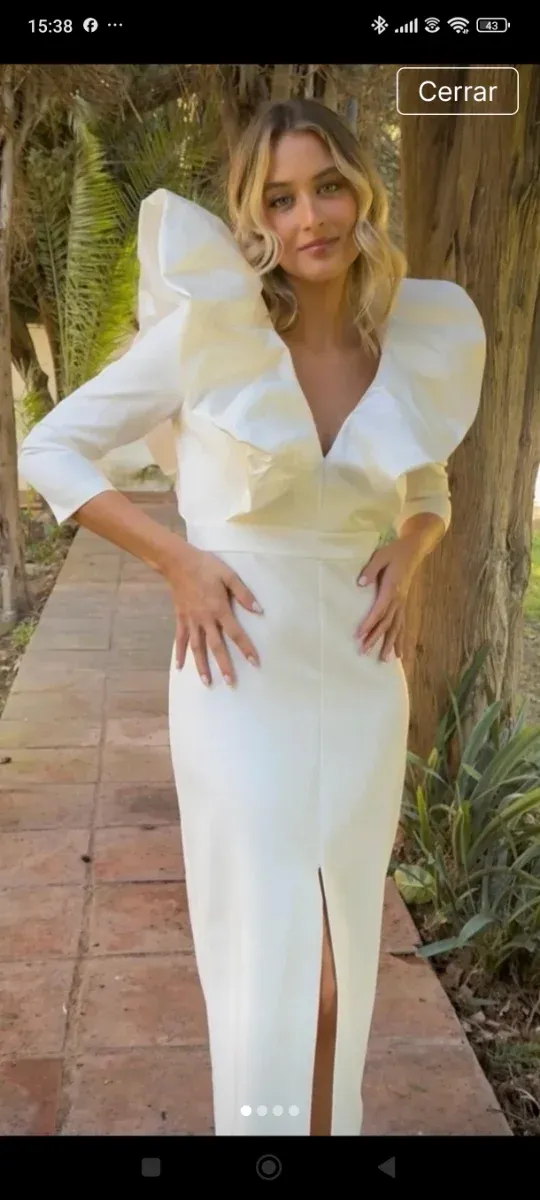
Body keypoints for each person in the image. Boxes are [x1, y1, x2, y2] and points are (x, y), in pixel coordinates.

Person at [17, 98, 486, 1137]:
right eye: (279, 198)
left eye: (327, 187)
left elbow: (429, 485)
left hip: (359, 676)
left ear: (362, 193)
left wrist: (413, 549)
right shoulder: (212, 334)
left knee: (341, 965)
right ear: (253, 217)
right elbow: (49, 448)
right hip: (238, 674)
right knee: (273, 965)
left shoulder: (405, 341)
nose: (309, 216)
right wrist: (178, 561)